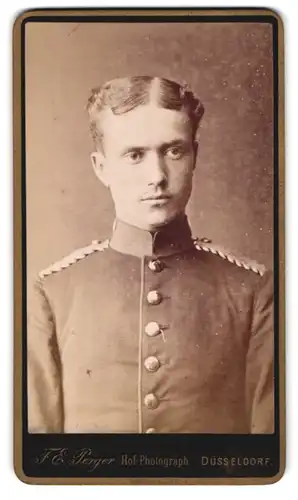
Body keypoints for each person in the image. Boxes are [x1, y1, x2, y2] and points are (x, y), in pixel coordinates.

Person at [27, 76, 274, 434]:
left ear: (194, 157)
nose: (157, 176)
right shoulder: (53, 291)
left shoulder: (251, 289)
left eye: (174, 151)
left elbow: (268, 455)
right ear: (101, 167)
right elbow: (37, 457)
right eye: (134, 155)